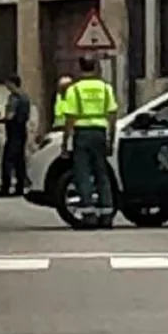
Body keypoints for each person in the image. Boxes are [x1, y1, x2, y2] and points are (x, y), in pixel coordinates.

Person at [61, 57, 119, 226]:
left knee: (83, 173)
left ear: (80, 68)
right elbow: (113, 114)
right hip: (100, 132)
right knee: (102, 173)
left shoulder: (75, 90)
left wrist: (65, 142)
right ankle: (107, 214)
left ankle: (89, 215)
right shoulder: (105, 88)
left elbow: (70, 118)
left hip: (82, 133)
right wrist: (111, 139)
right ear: (96, 68)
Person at [0, 76, 32, 197]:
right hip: (22, 130)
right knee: (19, 160)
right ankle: (20, 186)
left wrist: (2, 120)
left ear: (12, 83)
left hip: (14, 131)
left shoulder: (14, 98)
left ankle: (5, 187)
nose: (6, 86)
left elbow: (10, 115)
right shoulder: (25, 96)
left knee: (7, 160)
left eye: (7, 83)